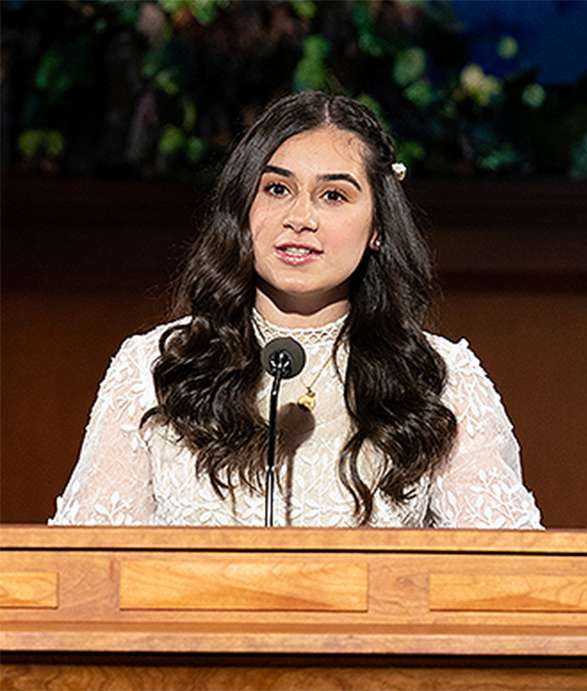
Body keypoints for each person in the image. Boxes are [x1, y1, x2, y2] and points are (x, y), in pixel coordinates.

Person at [50, 92, 542, 529]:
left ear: (377, 227)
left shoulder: (439, 377)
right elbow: (86, 572)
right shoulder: (154, 367)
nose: (300, 219)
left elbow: (503, 579)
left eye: (333, 196)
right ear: (244, 207)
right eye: (277, 189)